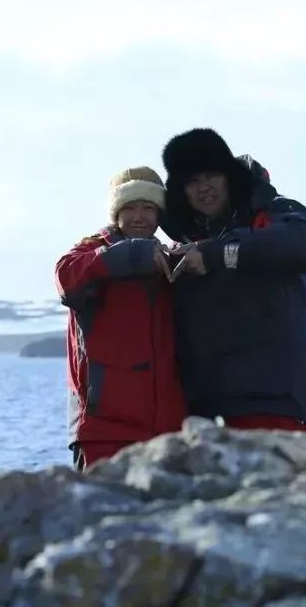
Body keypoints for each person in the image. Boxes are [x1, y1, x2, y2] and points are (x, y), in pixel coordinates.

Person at [160, 127, 306, 433]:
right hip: (202, 412)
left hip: (273, 404)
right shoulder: (185, 245)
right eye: (192, 181)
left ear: (229, 177)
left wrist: (215, 255)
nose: (203, 187)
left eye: (211, 176)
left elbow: (301, 247)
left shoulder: (277, 214)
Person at [54, 166, 186, 470]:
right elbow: (66, 279)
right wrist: (135, 255)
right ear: (115, 212)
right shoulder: (89, 253)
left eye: (148, 208)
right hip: (104, 432)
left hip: (167, 432)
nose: (139, 216)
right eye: (129, 207)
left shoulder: (171, 259)